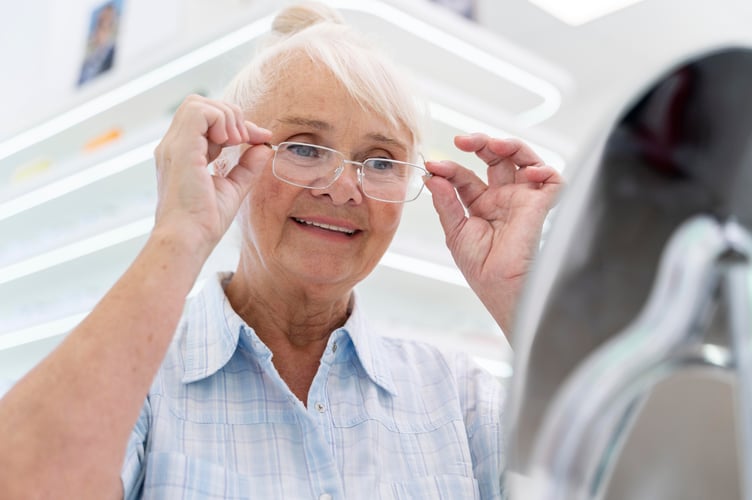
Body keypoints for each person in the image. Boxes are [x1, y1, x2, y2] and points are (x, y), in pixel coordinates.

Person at [0, 3, 561, 499]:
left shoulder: (457, 396)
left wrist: (519, 294)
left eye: (381, 160)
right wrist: (178, 234)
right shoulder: (141, 380)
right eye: (303, 147)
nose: (343, 188)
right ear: (227, 159)